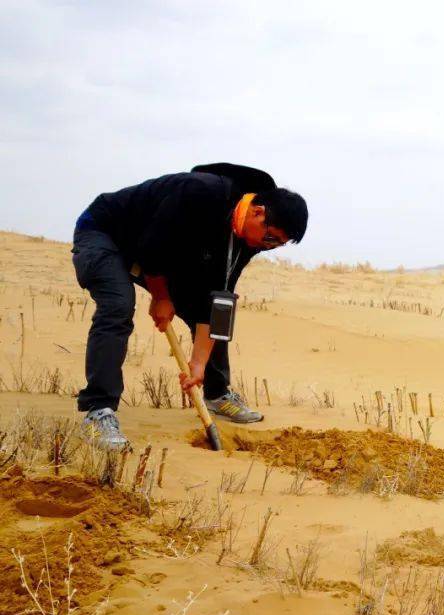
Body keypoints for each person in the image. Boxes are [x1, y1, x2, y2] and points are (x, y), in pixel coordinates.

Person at [72, 164, 308, 449]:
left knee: (218, 313)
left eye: (278, 245)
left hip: (159, 256)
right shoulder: (201, 193)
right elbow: (151, 249)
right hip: (107, 233)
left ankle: (217, 393)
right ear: (258, 212)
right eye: (271, 238)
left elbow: (220, 299)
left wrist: (198, 364)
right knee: (119, 304)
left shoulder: (247, 240)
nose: (268, 247)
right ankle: (98, 411)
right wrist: (161, 298)